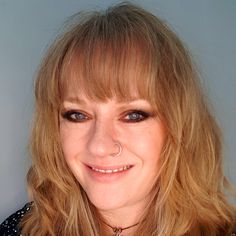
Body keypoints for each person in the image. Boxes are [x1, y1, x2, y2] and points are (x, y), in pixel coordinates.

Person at [1, 2, 236, 236]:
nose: (100, 146)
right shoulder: (23, 230)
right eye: (77, 115)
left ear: (179, 125)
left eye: (133, 115)